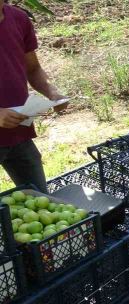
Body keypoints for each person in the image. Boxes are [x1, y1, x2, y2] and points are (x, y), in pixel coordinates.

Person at [0, 0, 68, 193]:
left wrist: (52, 93)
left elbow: (33, 69)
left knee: (40, 199)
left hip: (18, 132)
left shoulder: (18, 18)